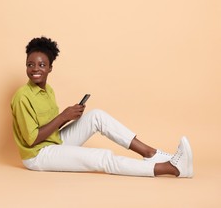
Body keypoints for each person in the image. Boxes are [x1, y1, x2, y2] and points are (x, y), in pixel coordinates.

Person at [11, 36, 193, 177]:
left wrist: (70, 116)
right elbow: (31, 140)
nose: (35, 69)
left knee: (96, 115)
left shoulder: (48, 90)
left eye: (42, 65)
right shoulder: (22, 97)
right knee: (101, 157)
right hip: (38, 155)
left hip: (54, 141)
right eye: (30, 64)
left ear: (50, 68)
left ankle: (150, 152)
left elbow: (50, 127)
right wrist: (63, 117)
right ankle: (171, 168)